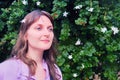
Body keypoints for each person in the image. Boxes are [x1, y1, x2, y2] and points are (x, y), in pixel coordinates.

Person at [0, 9, 62, 80]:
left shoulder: (55, 71)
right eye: (39, 28)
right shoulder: (9, 68)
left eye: (50, 29)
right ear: (25, 35)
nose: (47, 33)